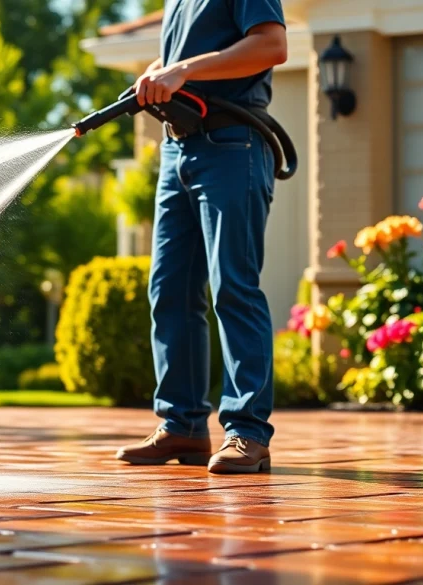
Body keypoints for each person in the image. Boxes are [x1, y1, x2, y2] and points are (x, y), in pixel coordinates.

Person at [114, 0, 287, 474]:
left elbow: (272, 45)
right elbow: (179, 61)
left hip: (231, 145)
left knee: (233, 286)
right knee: (168, 290)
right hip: (177, 149)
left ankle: (247, 432)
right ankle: (182, 425)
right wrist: (155, 75)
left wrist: (182, 71)